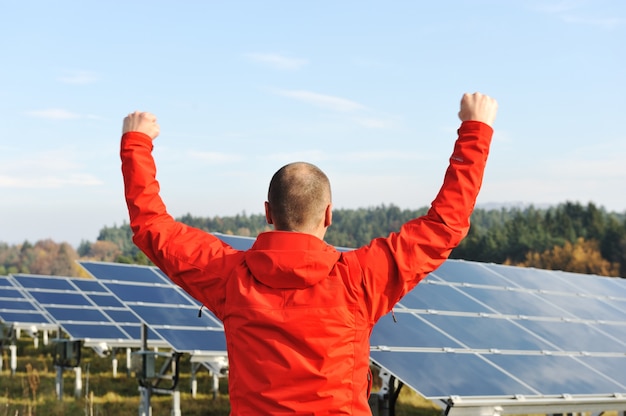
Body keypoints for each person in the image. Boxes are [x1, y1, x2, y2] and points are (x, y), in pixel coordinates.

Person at [120, 92, 498, 415]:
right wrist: (475, 131)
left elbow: (153, 228)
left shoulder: (228, 276)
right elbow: (443, 226)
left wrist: (136, 142)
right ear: (329, 214)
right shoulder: (359, 278)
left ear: (268, 213)